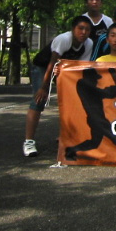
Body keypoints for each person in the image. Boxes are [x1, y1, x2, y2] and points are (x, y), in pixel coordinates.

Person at [23, 16, 93, 157]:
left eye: (87, 29)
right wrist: (44, 87)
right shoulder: (64, 39)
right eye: (80, 28)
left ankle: (65, 136)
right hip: (44, 67)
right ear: (73, 29)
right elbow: (52, 63)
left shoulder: (88, 43)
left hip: (64, 69)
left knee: (72, 101)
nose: (83, 32)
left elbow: (80, 67)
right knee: (39, 101)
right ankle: (29, 141)